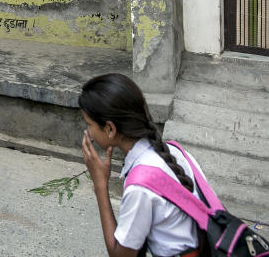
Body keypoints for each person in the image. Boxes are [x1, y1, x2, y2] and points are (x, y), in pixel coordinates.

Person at [80, 73, 205, 257]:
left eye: (89, 124)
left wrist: (100, 184)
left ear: (110, 129)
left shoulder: (140, 186)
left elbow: (120, 255)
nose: (88, 133)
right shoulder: (174, 151)